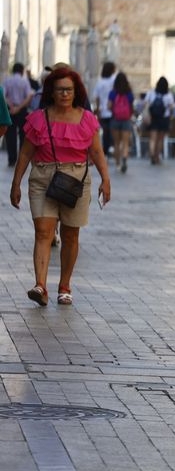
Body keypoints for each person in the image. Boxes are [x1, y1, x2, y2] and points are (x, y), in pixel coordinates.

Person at [9, 66, 111, 306]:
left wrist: (106, 179)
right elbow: (24, 154)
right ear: (51, 93)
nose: (65, 94)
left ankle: (65, 285)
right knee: (43, 232)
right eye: (60, 90)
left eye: (69, 90)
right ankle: (40, 285)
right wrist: (16, 184)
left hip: (76, 179)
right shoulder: (38, 119)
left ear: (76, 92)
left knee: (70, 234)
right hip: (43, 177)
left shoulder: (87, 120)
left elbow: (96, 151)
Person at [3, 62, 34, 167]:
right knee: (23, 135)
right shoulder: (24, 81)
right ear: (22, 71)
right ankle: (22, 158)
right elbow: (29, 96)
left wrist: (11, 106)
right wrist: (19, 107)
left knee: (10, 135)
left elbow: (3, 94)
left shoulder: (7, 80)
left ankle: (12, 159)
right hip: (22, 110)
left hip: (10, 110)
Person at [144, 77, 175, 165]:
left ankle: (151, 154)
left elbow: (145, 103)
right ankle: (157, 156)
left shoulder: (151, 92)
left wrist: (147, 113)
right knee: (160, 139)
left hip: (153, 117)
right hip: (164, 118)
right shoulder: (168, 95)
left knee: (152, 139)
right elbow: (172, 107)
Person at [107, 72, 135, 173]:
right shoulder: (129, 93)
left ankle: (118, 164)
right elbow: (132, 107)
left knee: (116, 143)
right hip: (126, 120)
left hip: (115, 119)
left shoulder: (113, 93)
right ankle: (124, 159)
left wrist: (115, 111)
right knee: (125, 143)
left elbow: (109, 106)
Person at [93, 62, 116, 155]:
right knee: (112, 133)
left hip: (103, 111)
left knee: (106, 132)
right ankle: (110, 149)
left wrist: (98, 110)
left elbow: (97, 97)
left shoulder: (100, 82)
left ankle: (105, 151)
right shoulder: (114, 81)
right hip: (113, 111)